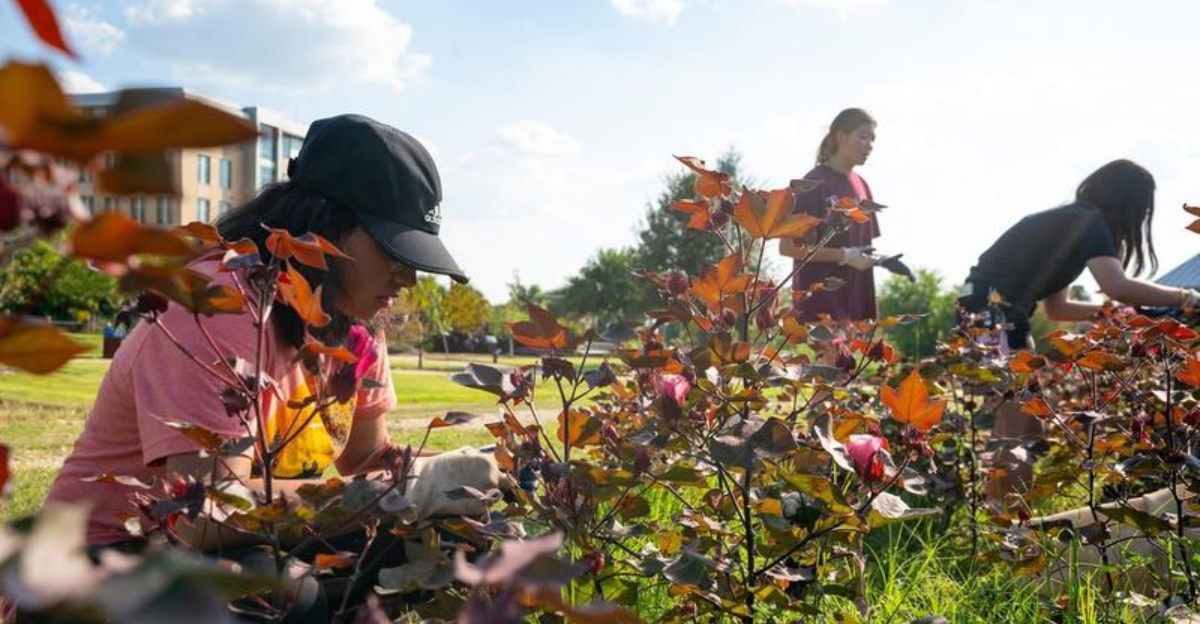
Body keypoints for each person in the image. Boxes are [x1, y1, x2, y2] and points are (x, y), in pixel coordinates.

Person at [42, 114, 502, 621]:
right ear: (326, 228)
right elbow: (204, 514)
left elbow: (363, 458)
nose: (410, 277)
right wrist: (410, 487)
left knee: (462, 539)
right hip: (92, 569)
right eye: (395, 251)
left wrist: (458, 479)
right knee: (279, 593)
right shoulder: (219, 302)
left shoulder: (355, 325)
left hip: (231, 549)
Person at [958, 159, 1200, 503]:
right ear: (1131, 205)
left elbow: (1059, 309)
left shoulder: (1070, 225)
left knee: (1026, 427)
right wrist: (1188, 297)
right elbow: (1117, 285)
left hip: (996, 316)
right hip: (990, 317)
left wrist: (1117, 315)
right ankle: (1008, 529)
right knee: (1017, 434)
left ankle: (997, 513)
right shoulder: (1091, 223)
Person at [780, 108, 883, 324]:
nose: (869, 145)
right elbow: (788, 247)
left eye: (872, 139)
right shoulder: (813, 183)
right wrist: (844, 256)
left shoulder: (862, 186)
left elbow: (865, 247)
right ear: (840, 136)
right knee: (830, 358)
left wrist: (882, 261)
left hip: (855, 303)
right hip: (821, 305)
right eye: (862, 136)